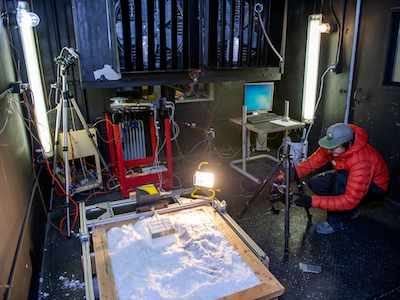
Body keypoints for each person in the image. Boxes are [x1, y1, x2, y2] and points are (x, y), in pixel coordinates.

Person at [286, 123, 389, 234]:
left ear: (348, 144)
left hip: (374, 187)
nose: (329, 150)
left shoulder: (361, 161)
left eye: (334, 147)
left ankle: (337, 222)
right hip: (351, 178)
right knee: (316, 183)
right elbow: (310, 164)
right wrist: (284, 177)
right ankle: (351, 208)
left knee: (341, 179)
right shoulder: (333, 145)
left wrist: (312, 202)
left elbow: (350, 200)